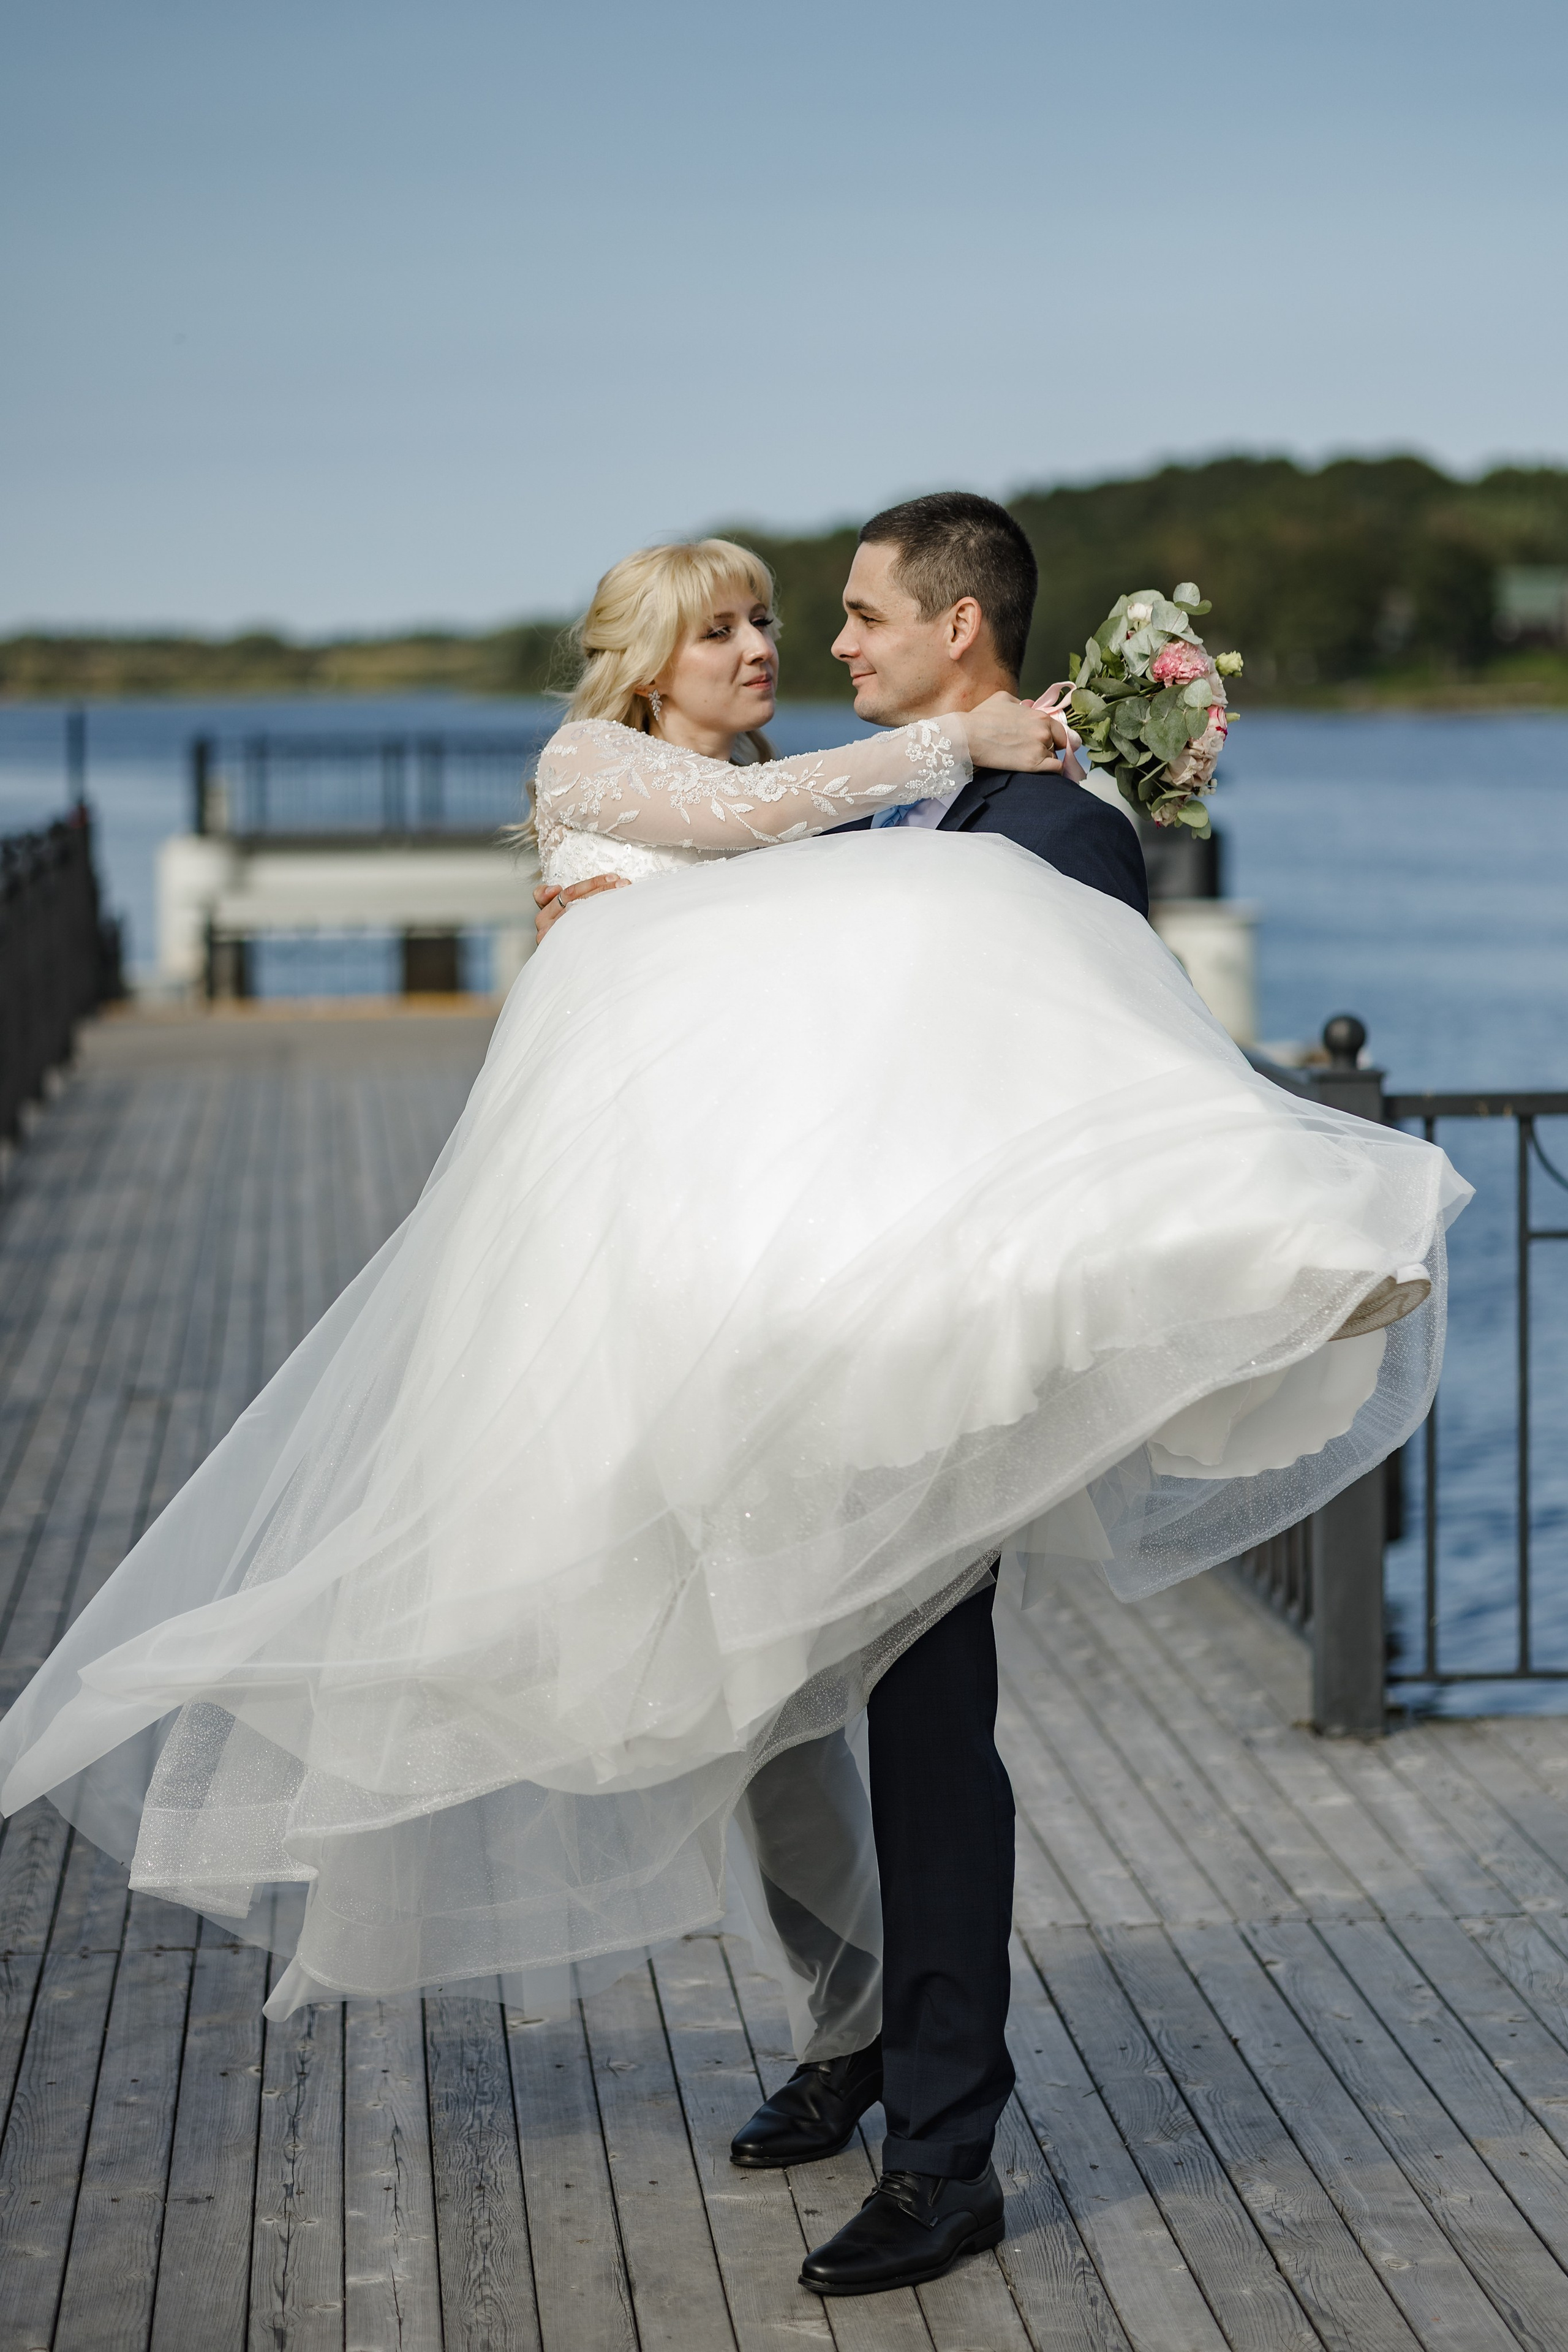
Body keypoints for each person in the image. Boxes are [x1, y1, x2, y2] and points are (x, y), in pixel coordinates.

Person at [0, 519, 1465, 2305]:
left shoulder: (1043, 827)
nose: (791, 646)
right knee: (753, 1700)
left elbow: (1096, 1074)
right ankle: (859, 2035)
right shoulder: (709, 783)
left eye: (822, 616)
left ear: (958, 626)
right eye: (745, 625)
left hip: (904, 1345)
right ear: (650, 655)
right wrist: (942, 754)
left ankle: (943, 2149)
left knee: (920, 1733)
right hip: (690, 1304)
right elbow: (766, 893)